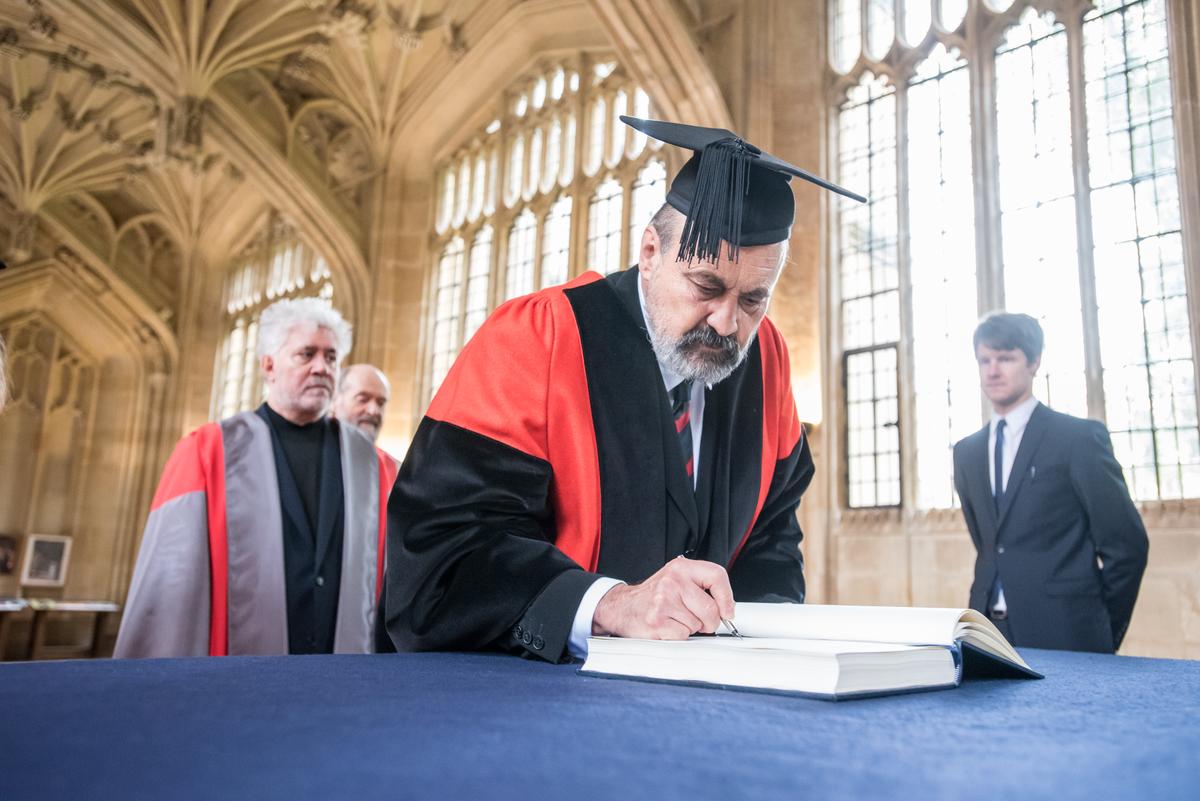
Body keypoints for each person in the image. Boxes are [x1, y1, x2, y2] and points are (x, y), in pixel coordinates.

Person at [386, 116, 866, 662]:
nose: (728, 322)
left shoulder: (766, 359)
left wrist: (763, 646)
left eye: (754, 299)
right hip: (536, 701)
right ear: (650, 252)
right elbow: (444, 553)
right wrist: (609, 604)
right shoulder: (537, 337)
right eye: (706, 287)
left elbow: (771, 538)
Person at [116, 298, 399, 657]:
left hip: (344, 672)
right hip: (243, 674)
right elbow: (172, 586)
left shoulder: (375, 467)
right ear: (269, 365)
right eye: (306, 354)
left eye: (330, 358)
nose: (321, 368)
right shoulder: (207, 453)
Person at [952, 312, 1148, 653]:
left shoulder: (1077, 439)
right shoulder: (966, 452)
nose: (993, 370)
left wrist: (1100, 630)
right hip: (987, 634)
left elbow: (1126, 546)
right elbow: (989, 544)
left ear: (1034, 362)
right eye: (985, 360)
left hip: (1067, 634)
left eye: (1006, 358)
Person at [330, 364, 391, 443]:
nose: (373, 411)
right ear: (335, 401)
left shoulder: (383, 456)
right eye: (363, 400)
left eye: (381, 403)